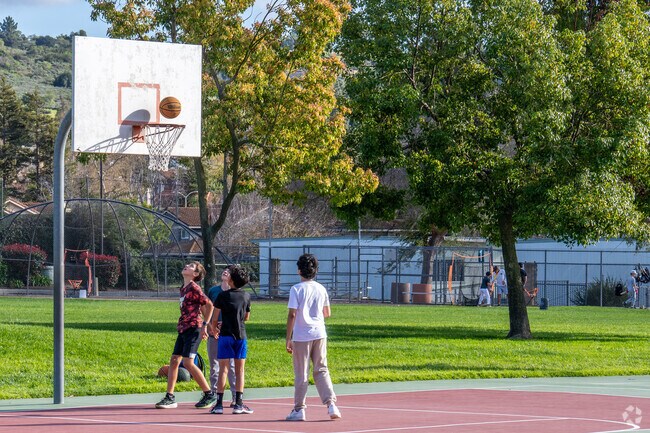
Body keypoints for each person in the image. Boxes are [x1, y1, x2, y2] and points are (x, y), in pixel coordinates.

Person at [285, 253, 341, 422]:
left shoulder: (296, 289)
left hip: (302, 335)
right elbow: (327, 313)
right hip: (320, 333)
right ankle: (331, 404)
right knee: (322, 369)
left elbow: (292, 314)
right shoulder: (321, 288)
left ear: (299, 270)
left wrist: (288, 337)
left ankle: (299, 408)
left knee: (302, 373)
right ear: (315, 271)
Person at [156, 261, 216, 409]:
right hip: (183, 328)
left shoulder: (194, 288)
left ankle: (209, 394)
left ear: (195, 274)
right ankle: (170, 397)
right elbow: (201, 306)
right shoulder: (183, 288)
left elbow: (209, 304)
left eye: (190, 266)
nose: (186, 266)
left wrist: (205, 326)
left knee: (188, 363)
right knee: (174, 360)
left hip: (193, 328)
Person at [208, 264, 253, 415]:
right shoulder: (246, 296)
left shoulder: (222, 296)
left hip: (225, 336)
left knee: (223, 370)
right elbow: (246, 317)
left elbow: (215, 318)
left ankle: (219, 404)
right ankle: (238, 404)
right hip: (240, 336)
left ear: (232, 280)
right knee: (240, 370)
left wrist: (214, 329)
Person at [206, 268, 237, 407]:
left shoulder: (236, 293)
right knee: (214, 363)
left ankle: (236, 395)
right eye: (224, 270)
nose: (225, 272)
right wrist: (209, 326)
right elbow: (208, 309)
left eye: (229, 271)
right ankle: (213, 394)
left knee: (230, 365)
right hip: (214, 330)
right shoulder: (213, 291)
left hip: (229, 332)